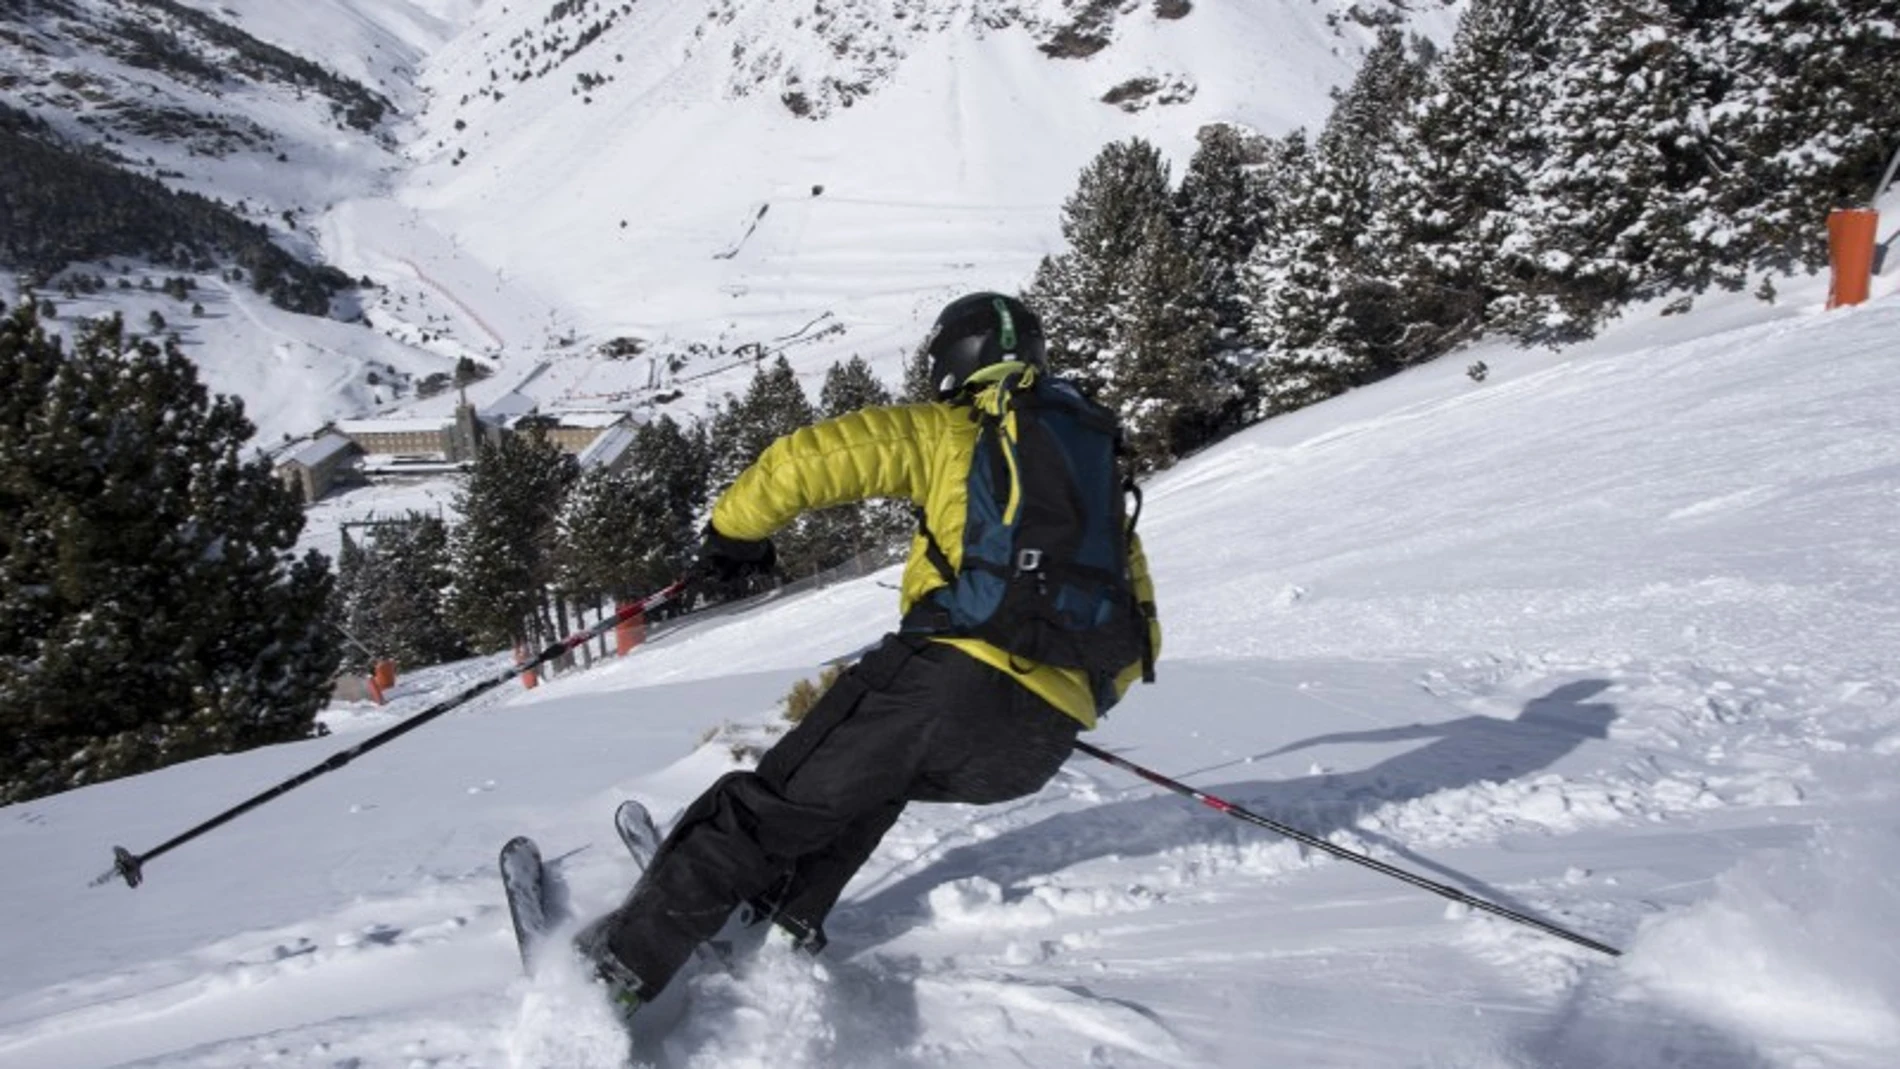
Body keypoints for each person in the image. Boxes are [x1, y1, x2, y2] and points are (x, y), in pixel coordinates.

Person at [577, 292, 1162, 1015]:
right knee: (869, 784)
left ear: (954, 361)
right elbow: (1140, 631)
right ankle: (777, 917)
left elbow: (807, 460)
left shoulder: (954, 428)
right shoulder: (1095, 474)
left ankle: (613, 975)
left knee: (767, 806)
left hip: (946, 683)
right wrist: (1052, 695)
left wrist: (733, 536)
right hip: (1040, 742)